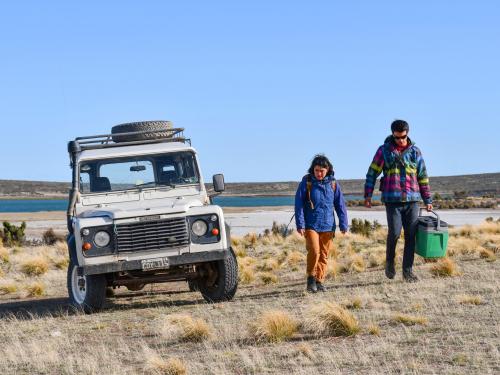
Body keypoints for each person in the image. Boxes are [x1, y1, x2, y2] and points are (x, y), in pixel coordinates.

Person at [364, 120, 433, 282]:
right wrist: (368, 195)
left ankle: (407, 271)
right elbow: (372, 172)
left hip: (413, 200)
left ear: (407, 133)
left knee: (410, 236)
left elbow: (422, 176)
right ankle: (390, 263)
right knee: (394, 233)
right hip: (392, 200)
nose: (401, 140)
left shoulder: (415, 152)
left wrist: (427, 199)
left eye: (403, 137)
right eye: (397, 138)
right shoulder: (383, 151)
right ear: (392, 134)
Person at [295, 154, 348, 293]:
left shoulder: (334, 184)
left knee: (324, 254)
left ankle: (320, 281)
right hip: (311, 224)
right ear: (313, 169)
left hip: (328, 225)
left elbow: (340, 205)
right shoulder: (306, 183)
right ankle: (311, 279)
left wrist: (343, 224)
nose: (319, 173)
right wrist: (300, 224)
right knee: (314, 251)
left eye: (322, 171)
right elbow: (299, 205)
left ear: (328, 170)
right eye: (316, 170)